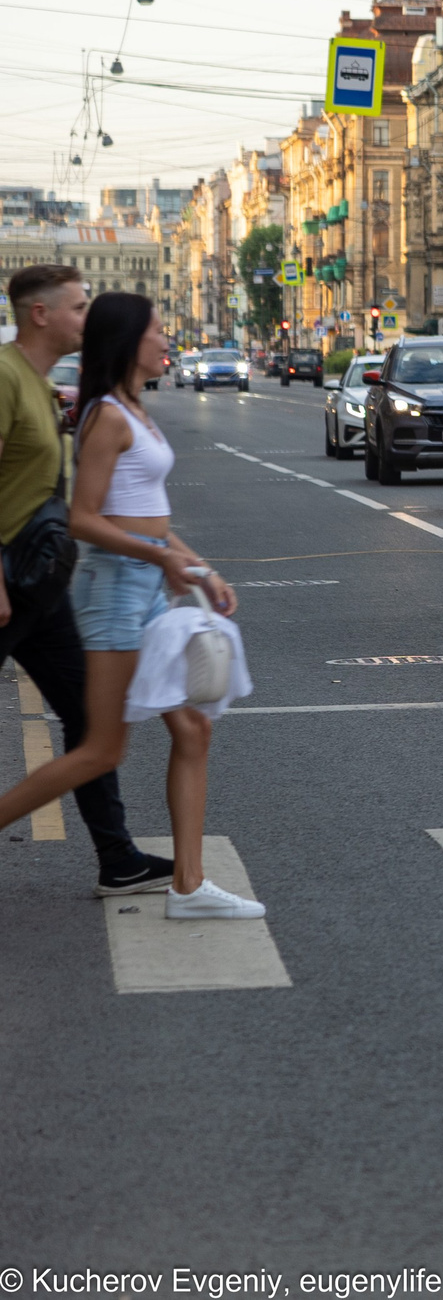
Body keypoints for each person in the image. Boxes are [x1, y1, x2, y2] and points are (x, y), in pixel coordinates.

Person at [0, 293, 249, 917]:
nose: (168, 339)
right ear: (128, 340)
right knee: (101, 750)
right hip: (115, 592)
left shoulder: (133, 408)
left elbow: (150, 516)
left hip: (143, 587)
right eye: (158, 331)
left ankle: (189, 887)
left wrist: (195, 565)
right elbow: (85, 519)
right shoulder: (107, 415)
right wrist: (163, 560)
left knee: (194, 727)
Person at [0, 265, 171, 896]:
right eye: (77, 307)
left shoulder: (41, 386)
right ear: (40, 314)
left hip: (41, 591)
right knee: (93, 730)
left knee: (89, 724)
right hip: (7, 585)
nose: (86, 318)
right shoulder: (4, 376)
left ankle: (118, 858)